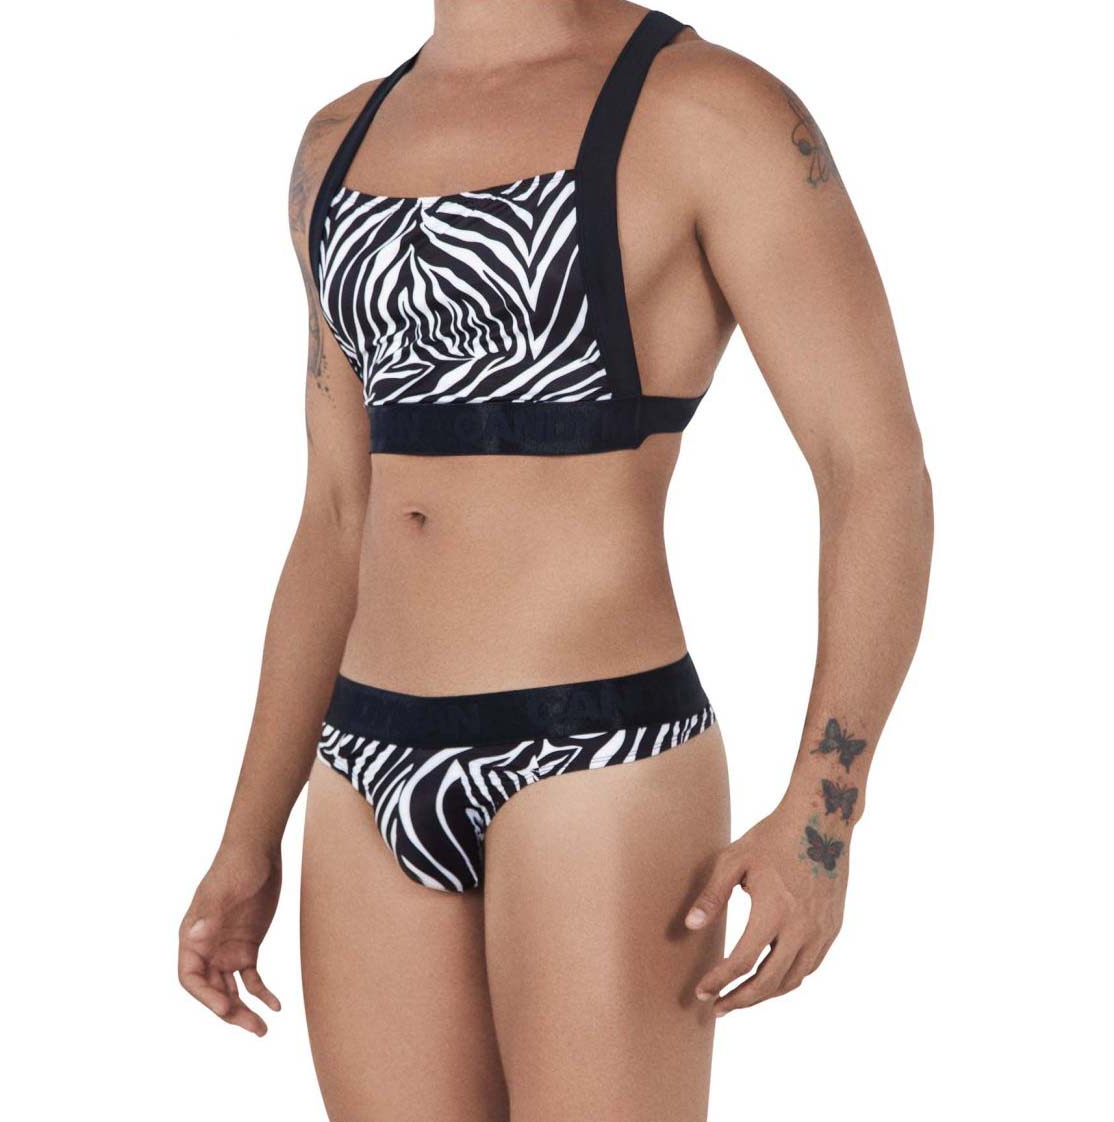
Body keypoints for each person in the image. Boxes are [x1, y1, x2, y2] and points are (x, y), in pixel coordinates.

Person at [178, 3, 933, 1119]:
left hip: (597, 754)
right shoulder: (336, 143)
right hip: (363, 759)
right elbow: (338, 513)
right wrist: (248, 835)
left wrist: (824, 817)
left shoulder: (711, 110)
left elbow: (873, 470)